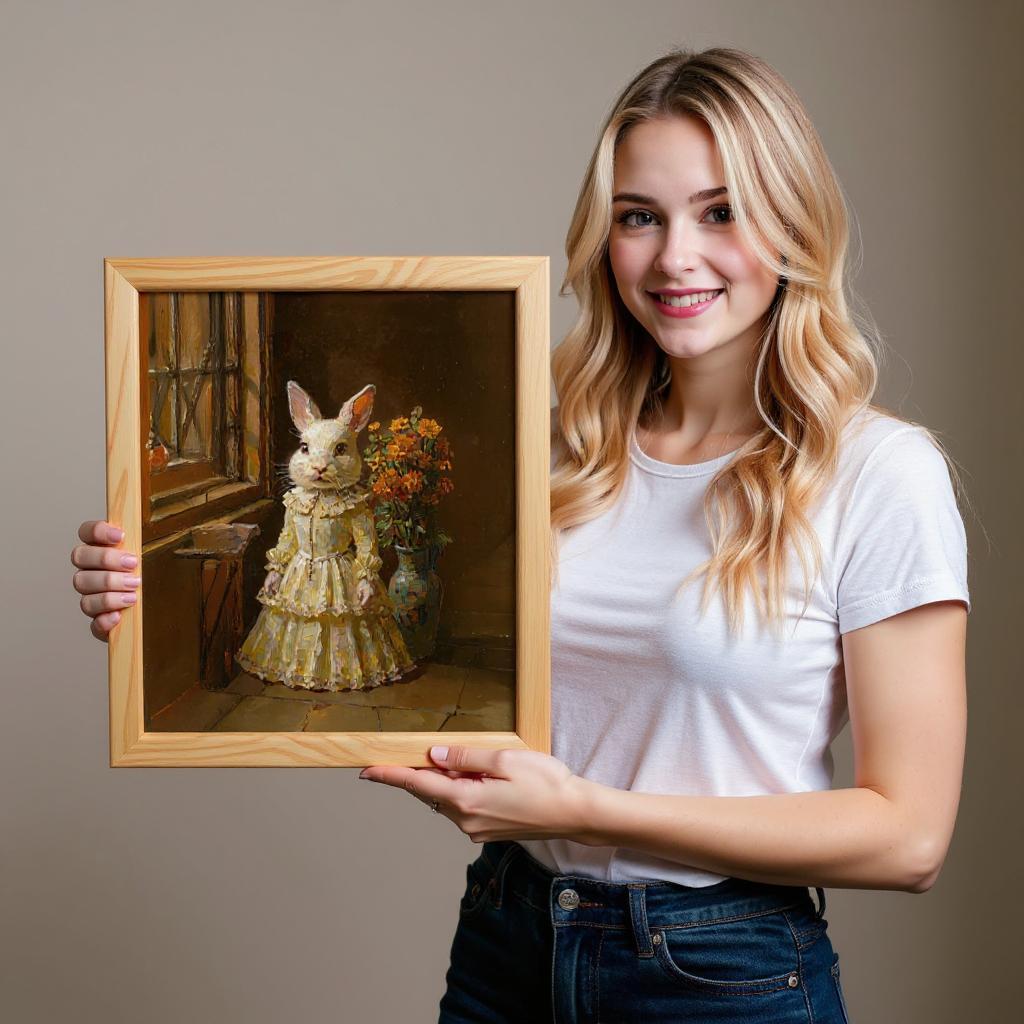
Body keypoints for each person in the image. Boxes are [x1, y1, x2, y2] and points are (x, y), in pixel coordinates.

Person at [72, 46, 970, 1024]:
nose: (675, 256)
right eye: (639, 216)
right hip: (510, 935)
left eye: (722, 210)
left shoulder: (879, 473)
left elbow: (907, 837)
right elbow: (470, 675)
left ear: (796, 225)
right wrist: (142, 597)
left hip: (721, 973)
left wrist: (584, 811)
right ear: (604, 236)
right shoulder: (561, 453)